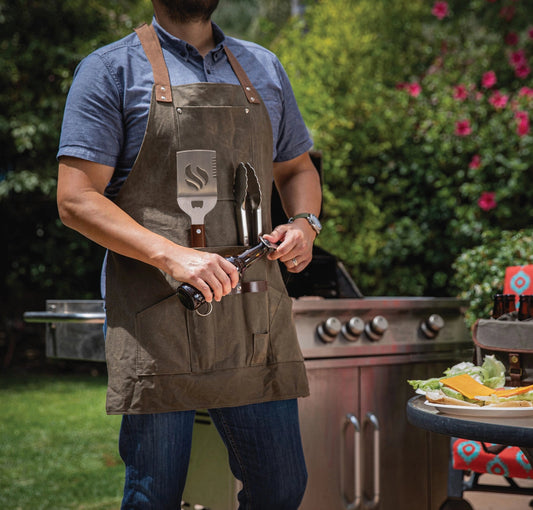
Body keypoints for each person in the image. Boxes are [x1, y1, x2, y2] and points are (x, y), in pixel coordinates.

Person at [56, 1, 322, 508]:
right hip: (160, 322)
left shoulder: (264, 66)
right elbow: (76, 199)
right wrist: (172, 256)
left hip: (253, 321)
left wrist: (305, 224)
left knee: (281, 488)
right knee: (154, 495)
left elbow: (297, 170)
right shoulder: (111, 69)